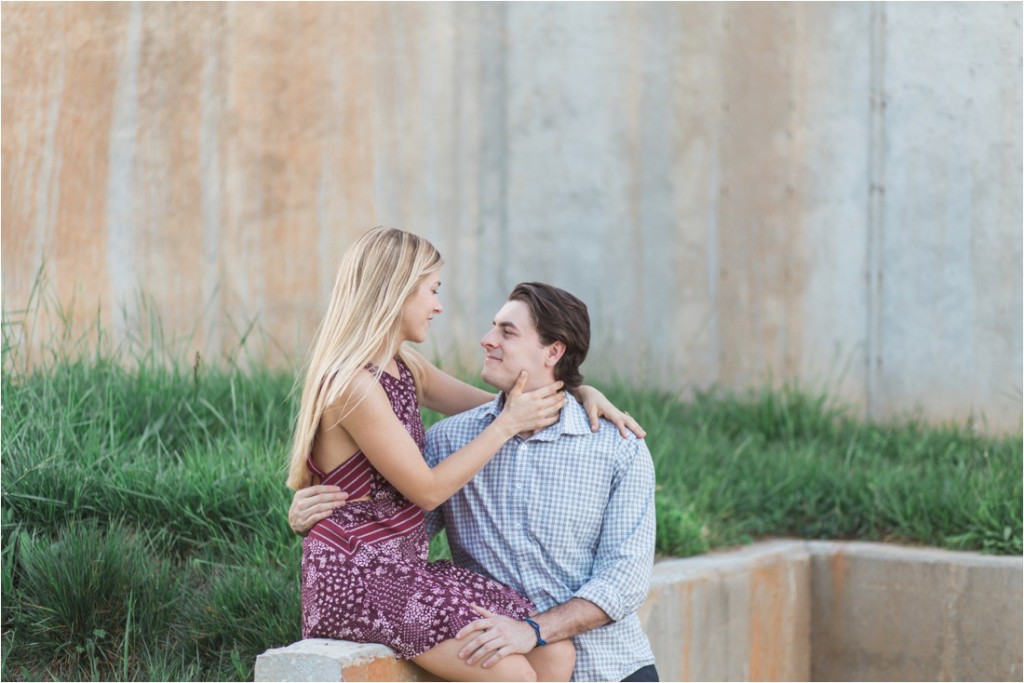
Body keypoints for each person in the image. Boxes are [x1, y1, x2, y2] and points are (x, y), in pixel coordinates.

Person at [287, 227, 643, 682]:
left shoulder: (406, 367)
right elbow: (429, 489)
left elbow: (494, 407)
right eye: (432, 291)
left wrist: (577, 391)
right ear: (395, 292)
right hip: (359, 577)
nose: (438, 305)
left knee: (556, 656)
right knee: (513, 674)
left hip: (404, 568)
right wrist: (508, 424)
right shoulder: (353, 385)